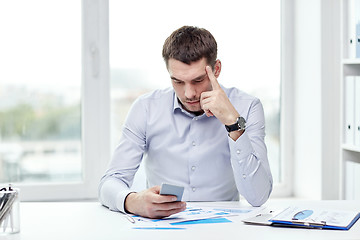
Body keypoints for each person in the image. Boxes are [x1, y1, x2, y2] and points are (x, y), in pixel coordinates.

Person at [99, 26, 273, 219]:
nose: (189, 94)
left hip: (224, 228)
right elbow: (109, 182)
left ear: (216, 69)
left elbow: (258, 196)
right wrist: (131, 201)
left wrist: (233, 124)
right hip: (162, 227)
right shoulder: (146, 108)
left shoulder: (248, 107)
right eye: (178, 81)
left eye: (198, 80)